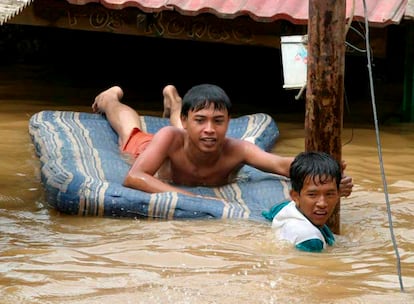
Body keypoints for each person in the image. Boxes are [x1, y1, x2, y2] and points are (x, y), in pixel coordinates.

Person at [92, 84, 353, 199]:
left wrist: (326, 174)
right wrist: (188, 197)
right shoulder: (170, 137)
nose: (210, 129)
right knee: (131, 131)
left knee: (192, 134)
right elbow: (135, 177)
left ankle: (173, 100)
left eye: (218, 121)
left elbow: (283, 165)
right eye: (201, 119)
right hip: (154, 150)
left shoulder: (237, 149)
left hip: (183, 135)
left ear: (229, 122)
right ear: (187, 120)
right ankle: (110, 98)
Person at [262, 151, 342, 252]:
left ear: (339, 194)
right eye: (312, 195)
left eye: (329, 194)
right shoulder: (311, 241)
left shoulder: (285, 207)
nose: (322, 203)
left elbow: (270, 213)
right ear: (295, 196)